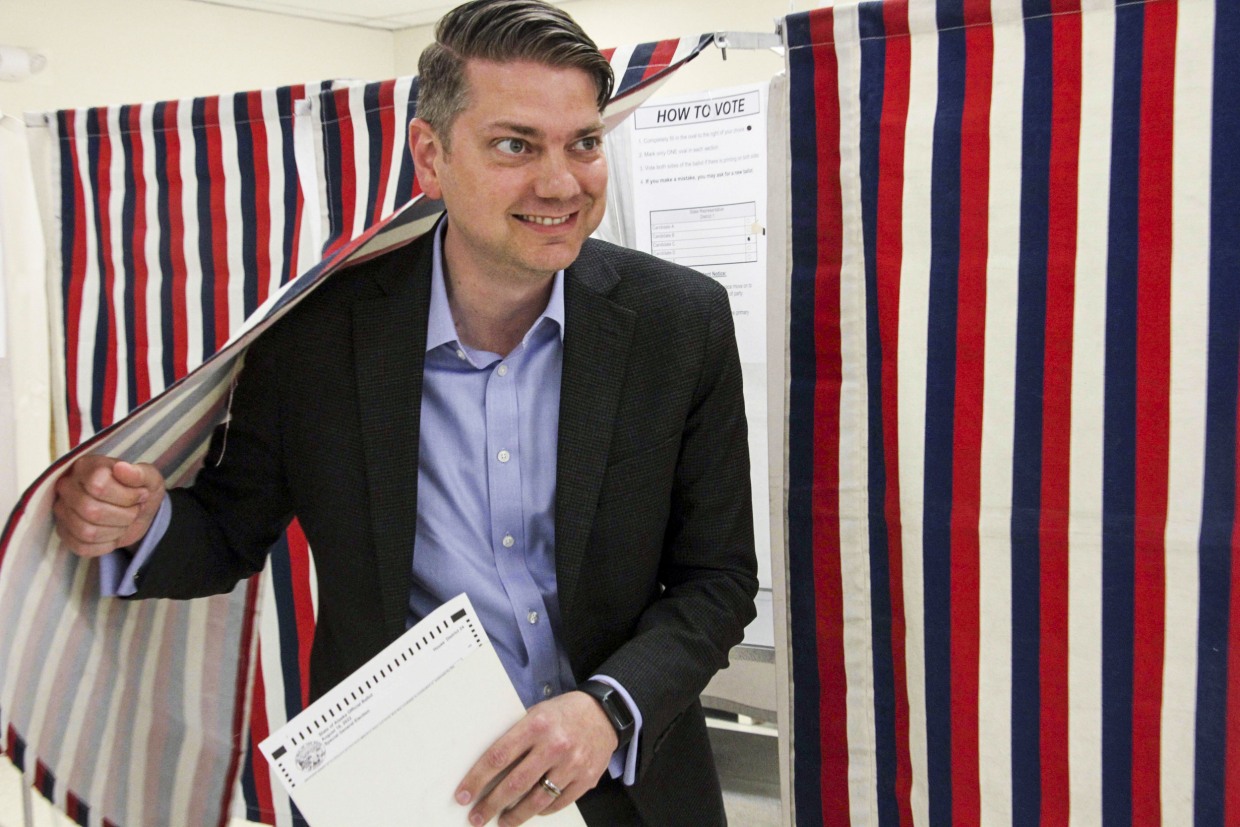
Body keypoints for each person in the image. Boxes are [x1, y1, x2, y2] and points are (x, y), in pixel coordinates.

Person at [51, 1, 757, 824]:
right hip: (401, 788)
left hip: (626, 788)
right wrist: (132, 521)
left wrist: (606, 709)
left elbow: (718, 578)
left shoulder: (679, 323)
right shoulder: (316, 334)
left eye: (584, 143)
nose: (561, 183)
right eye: (514, 145)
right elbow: (227, 531)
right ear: (430, 154)